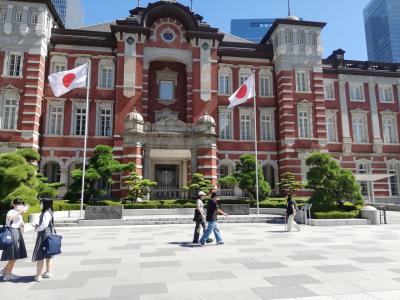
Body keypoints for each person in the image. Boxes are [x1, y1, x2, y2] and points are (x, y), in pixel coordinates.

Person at [1, 198, 28, 281]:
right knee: (13, 255)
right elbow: (10, 219)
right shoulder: (12, 211)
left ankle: (5, 270)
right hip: (12, 232)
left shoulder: (18, 213)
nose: (20, 205)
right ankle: (7, 275)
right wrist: (20, 212)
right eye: (19, 203)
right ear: (14, 204)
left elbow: (21, 223)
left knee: (15, 254)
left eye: (22, 204)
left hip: (17, 232)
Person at [32, 198, 55, 282]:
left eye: (41, 202)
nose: (40, 204)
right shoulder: (50, 211)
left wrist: (37, 228)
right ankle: (48, 272)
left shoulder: (46, 213)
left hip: (43, 235)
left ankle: (38, 275)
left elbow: (44, 225)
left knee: (41, 255)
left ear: (45, 203)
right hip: (48, 234)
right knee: (48, 255)